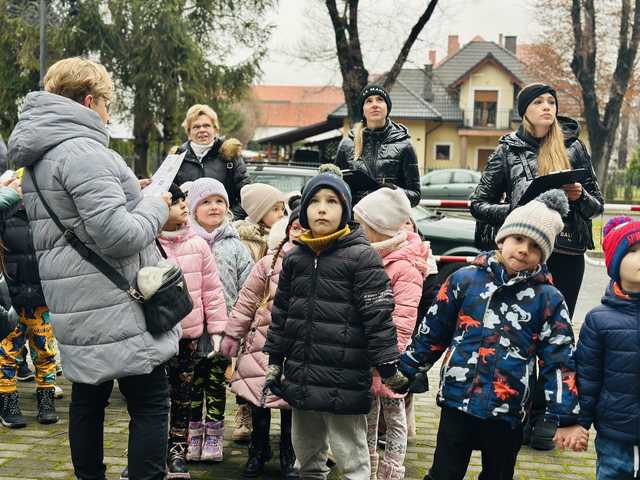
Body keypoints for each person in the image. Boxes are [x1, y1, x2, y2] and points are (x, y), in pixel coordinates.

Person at [8, 57, 180, 480]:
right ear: (89, 101)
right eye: (107, 104)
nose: (108, 114)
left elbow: (79, 216)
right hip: (117, 302)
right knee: (150, 401)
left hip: (76, 301)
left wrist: (130, 195)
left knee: (88, 398)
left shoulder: (43, 153)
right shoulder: (85, 151)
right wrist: (157, 208)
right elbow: (118, 236)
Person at [393, 190, 586, 480]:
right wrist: (406, 369)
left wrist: (567, 417)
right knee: (444, 472)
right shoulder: (463, 279)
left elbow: (559, 360)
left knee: (498, 473)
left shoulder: (549, 299)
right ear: (502, 239)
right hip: (458, 399)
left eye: (535, 246)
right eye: (518, 239)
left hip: (507, 409)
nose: (523, 250)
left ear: (544, 254)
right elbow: (433, 330)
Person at [469, 82, 603, 449]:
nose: (547, 107)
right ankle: (515, 405)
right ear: (524, 110)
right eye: (539, 102)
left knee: (556, 333)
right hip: (524, 251)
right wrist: (516, 211)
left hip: (568, 252)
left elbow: (598, 206)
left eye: (552, 102)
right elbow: (478, 203)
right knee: (521, 333)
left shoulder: (574, 148)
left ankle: (546, 413)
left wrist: (580, 196)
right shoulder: (507, 150)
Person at [263, 170, 405, 480]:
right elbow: (282, 314)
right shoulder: (295, 258)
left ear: (346, 210)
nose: (322, 208)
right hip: (302, 372)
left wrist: (389, 367)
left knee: (350, 454)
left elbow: (378, 317)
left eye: (331, 201)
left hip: (345, 374)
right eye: (314, 201)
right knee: (307, 452)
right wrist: (275, 362)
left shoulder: (362, 257)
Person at [221, 210, 306, 479]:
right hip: (263, 342)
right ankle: (257, 451)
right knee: (259, 399)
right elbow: (246, 300)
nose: (299, 232)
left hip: (299, 344)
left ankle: (288, 454)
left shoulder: (321, 262)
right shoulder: (269, 263)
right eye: (295, 227)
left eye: (305, 227)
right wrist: (232, 336)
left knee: (291, 404)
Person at [353, 187, 428, 480]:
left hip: (391, 358)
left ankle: (391, 471)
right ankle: (368, 468)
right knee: (368, 416)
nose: (355, 229)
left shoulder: (405, 266)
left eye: (361, 225)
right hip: (367, 353)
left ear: (378, 228)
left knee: (394, 415)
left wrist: (389, 358)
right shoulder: (368, 256)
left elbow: (405, 317)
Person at [157, 183, 228, 478]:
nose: (184, 206)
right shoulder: (148, 244)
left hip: (188, 337)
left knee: (184, 397)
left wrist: (218, 330)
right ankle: (147, 450)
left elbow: (212, 291)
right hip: (155, 335)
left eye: (185, 201)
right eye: (176, 201)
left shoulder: (198, 245)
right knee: (154, 397)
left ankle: (177, 450)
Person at [186, 177, 254, 462]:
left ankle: (214, 436)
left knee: (215, 383)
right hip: (189, 330)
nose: (214, 207)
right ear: (192, 209)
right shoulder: (185, 241)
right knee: (190, 384)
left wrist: (239, 326)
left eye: (219, 202)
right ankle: (191, 434)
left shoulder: (236, 246)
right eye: (206, 202)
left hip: (222, 331)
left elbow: (247, 287)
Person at [576, 216, 640, 479]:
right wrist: (578, 422)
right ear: (615, 262)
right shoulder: (599, 319)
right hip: (616, 433)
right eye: (634, 252)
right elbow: (587, 377)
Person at [0, 176, 60, 428]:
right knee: (7, 353)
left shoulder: (49, 215)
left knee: (45, 351)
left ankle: (46, 400)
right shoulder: (4, 214)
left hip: (41, 299)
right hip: (10, 298)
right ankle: (8, 402)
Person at [334, 84, 421, 207]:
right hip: (355, 221)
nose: (375, 104)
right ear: (363, 110)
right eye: (369, 101)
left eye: (380, 99)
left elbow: (415, 196)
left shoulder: (404, 145)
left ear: (387, 107)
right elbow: (335, 187)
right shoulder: (347, 144)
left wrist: (392, 191)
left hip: (389, 222)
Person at [173, 104, 251, 219]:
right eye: (196, 127)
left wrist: (228, 219)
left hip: (224, 228)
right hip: (187, 229)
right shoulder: (177, 158)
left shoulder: (230, 156)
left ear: (215, 129)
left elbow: (247, 196)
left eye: (206, 126)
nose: (202, 130)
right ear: (188, 132)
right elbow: (167, 196)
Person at [233, 183, 286, 262]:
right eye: (275, 209)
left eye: (282, 209)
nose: (281, 214)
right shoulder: (247, 241)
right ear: (259, 213)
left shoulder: (284, 234)